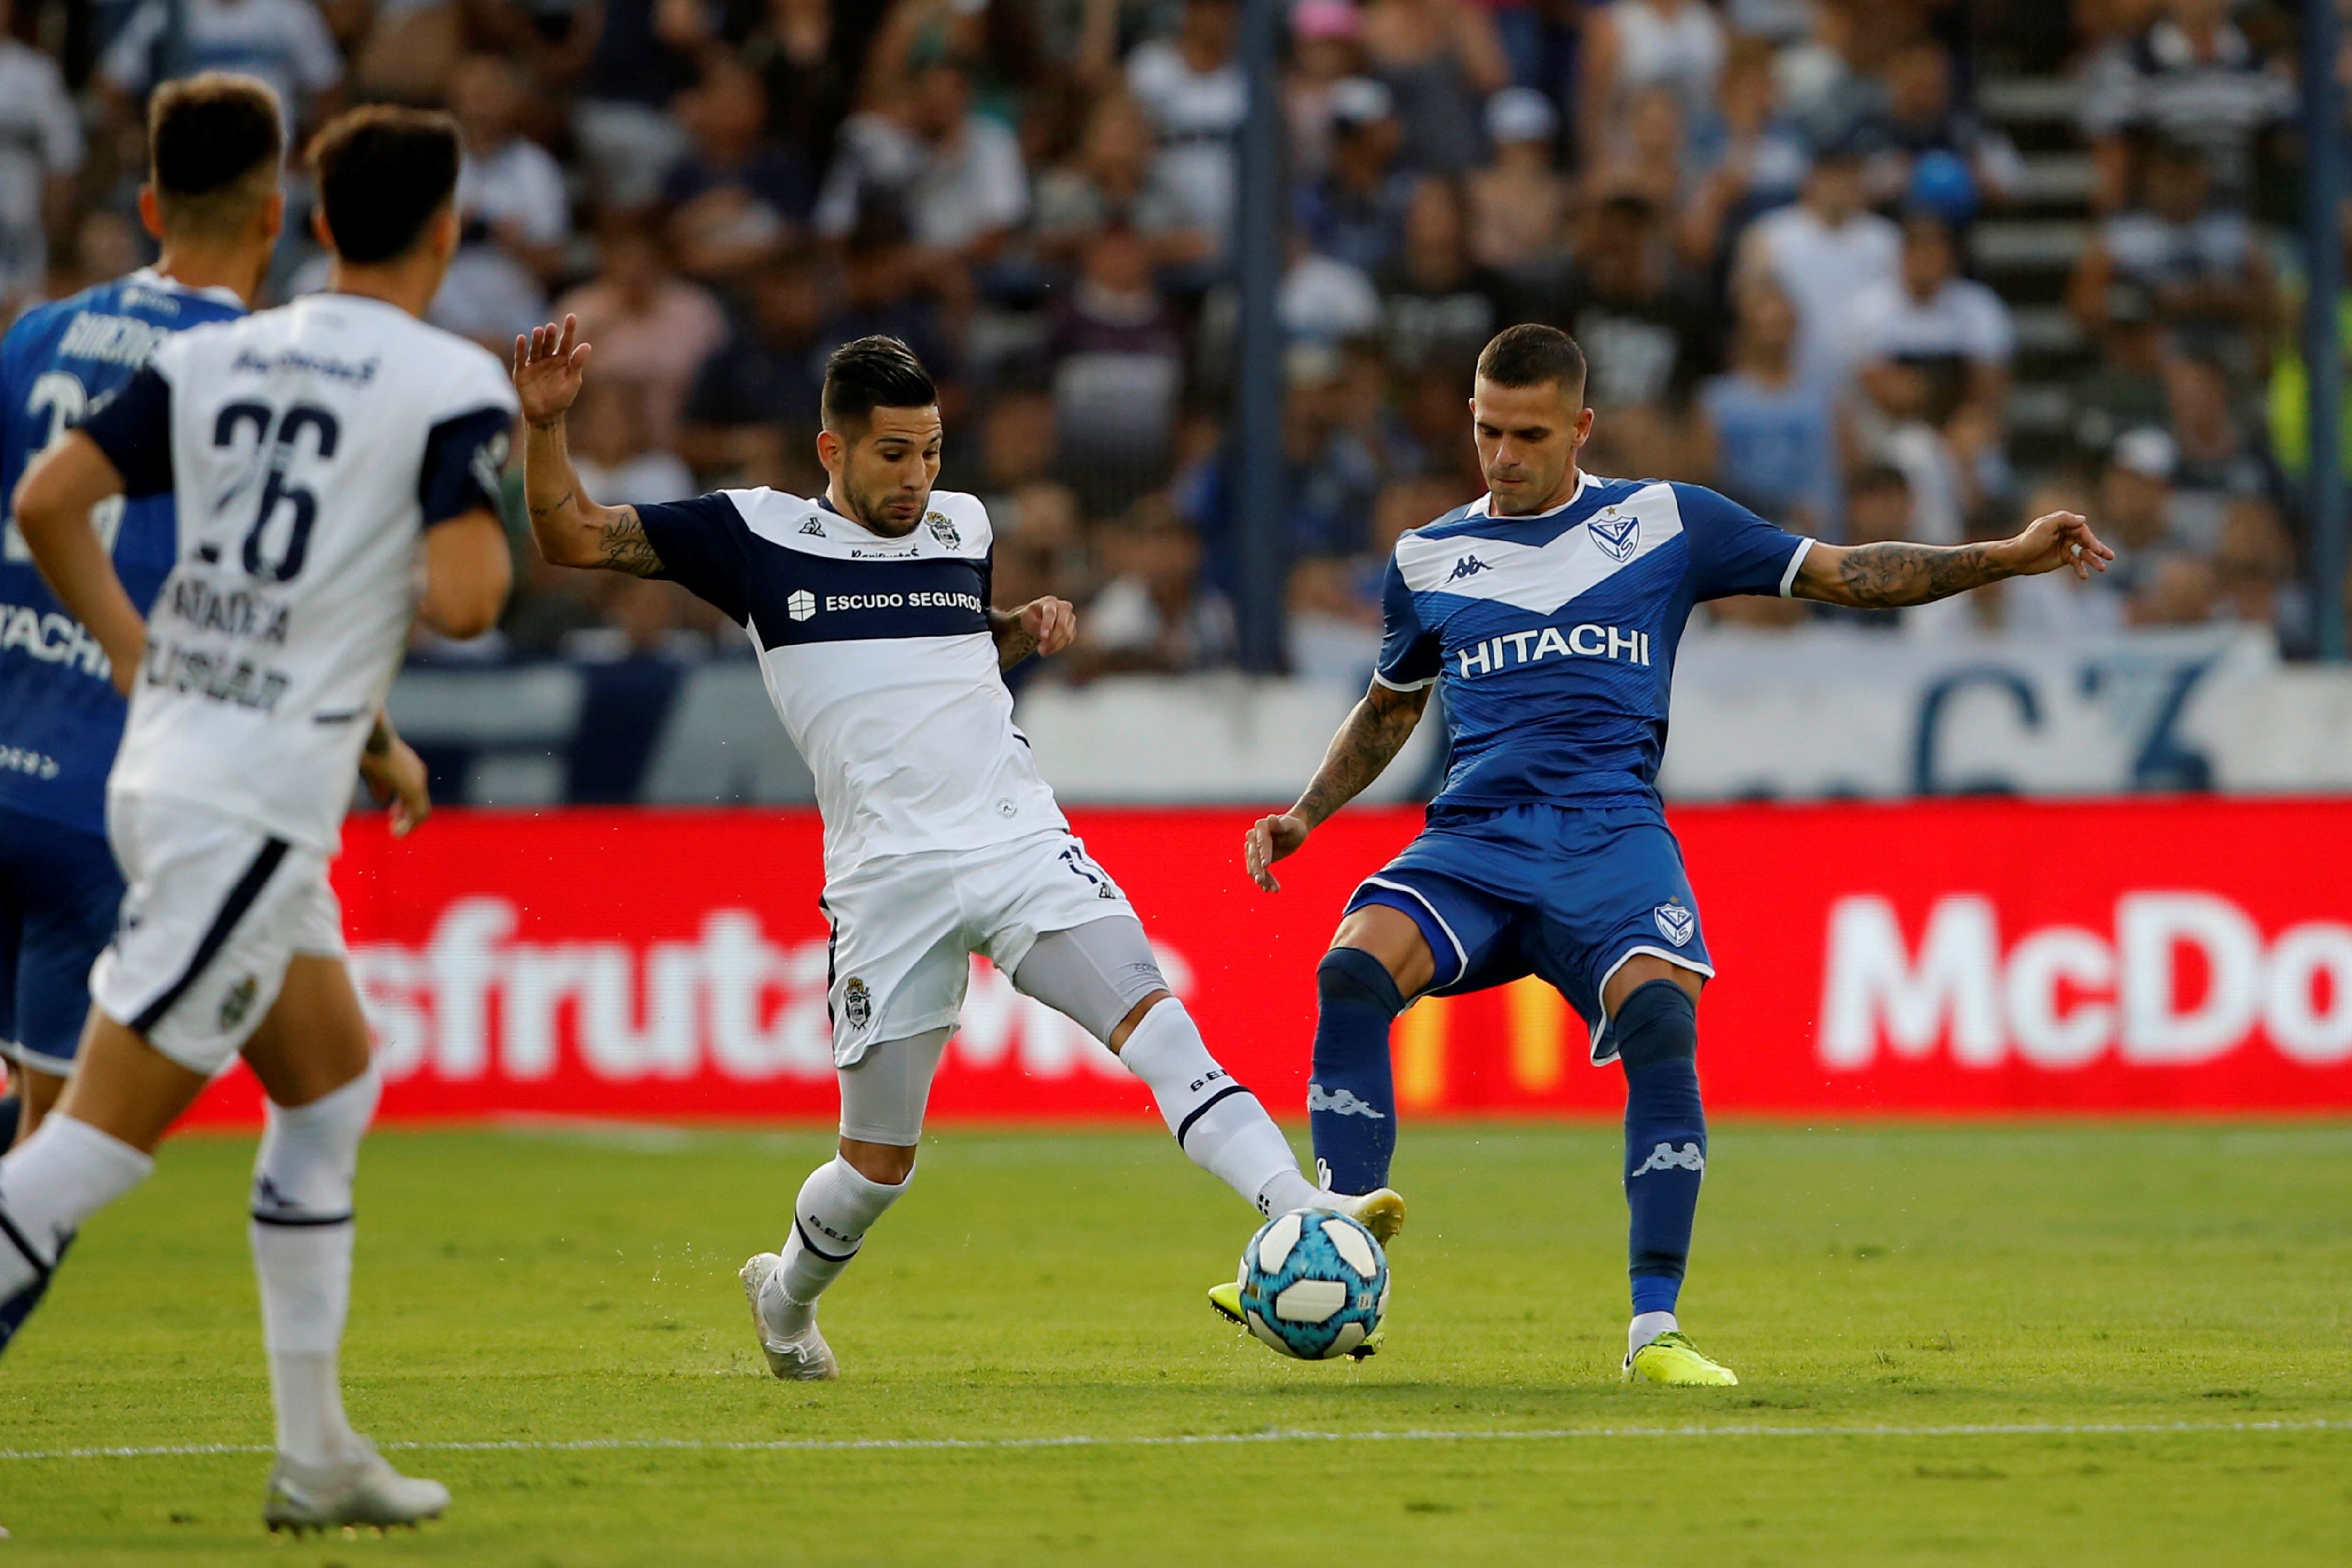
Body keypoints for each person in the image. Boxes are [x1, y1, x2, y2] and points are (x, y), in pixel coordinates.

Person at [512, 326, 1404, 1379]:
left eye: (932, 450)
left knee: (1162, 1031)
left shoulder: (962, 524)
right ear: (831, 451)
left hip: (1017, 838)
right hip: (887, 883)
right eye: (893, 452)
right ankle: (786, 1299)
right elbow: (572, 536)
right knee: (878, 1167)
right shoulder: (751, 535)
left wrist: (1015, 627)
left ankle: (1304, 1211)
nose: (919, 475)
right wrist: (548, 422)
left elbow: (938, 636)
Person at [1230, 324, 2113, 1385]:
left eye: (1527, 433)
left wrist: (2006, 555)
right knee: (1351, 964)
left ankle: (1656, 1330)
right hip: (1475, 837)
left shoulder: (1665, 520)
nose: (1501, 454)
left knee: (1660, 1018)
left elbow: (1850, 574)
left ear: (1580, 428)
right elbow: (1387, 713)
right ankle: (1334, 1227)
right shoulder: (1426, 558)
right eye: (1485, 429)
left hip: (1610, 836)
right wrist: (1305, 813)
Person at [0, 104, 515, 1531]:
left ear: (324, 222)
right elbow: (471, 601)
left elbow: (53, 499)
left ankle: (317, 1450)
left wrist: (132, 646)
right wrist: (477, 478)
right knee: (88, 1151)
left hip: (180, 758)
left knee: (331, 1082)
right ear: (447, 229)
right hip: (252, 802)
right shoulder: (452, 380)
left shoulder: (216, 351)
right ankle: (314, 1448)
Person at [0, 75, 282, 1151]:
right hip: (103, 787)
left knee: (34, 1121)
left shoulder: (36, 336)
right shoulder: (260, 375)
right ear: (273, 214)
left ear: (151, 207)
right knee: (58, 1150)